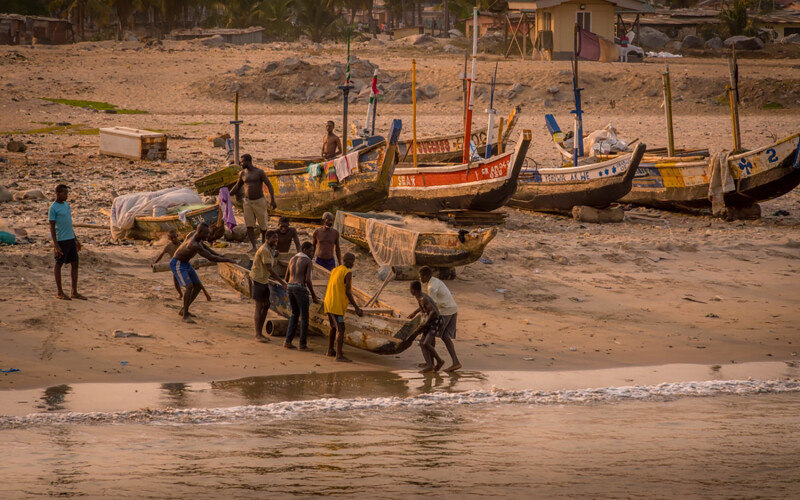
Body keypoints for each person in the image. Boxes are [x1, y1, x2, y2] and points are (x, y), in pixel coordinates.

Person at [170, 223, 235, 323]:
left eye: (208, 234)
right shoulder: (194, 244)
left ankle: (184, 310)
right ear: (199, 232)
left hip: (185, 263)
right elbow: (210, 257)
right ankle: (185, 315)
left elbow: (207, 249)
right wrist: (228, 260)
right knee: (189, 286)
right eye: (206, 234)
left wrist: (221, 255)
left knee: (198, 286)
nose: (208, 236)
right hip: (178, 263)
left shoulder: (194, 235)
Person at [408, 266, 462, 372]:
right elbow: (430, 303)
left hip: (445, 311)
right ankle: (454, 362)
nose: (420, 278)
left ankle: (431, 363)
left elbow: (432, 306)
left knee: (430, 336)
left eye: (421, 276)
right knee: (445, 336)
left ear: (426, 276)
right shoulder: (435, 281)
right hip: (452, 308)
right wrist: (415, 312)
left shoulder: (431, 287)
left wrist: (420, 317)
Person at [230, 153, 277, 252]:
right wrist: (227, 193)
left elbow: (269, 185)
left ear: (248, 161)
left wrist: (272, 200)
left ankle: (264, 244)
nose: (241, 164)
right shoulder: (242, 173)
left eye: (242, 162)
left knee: (263, 225)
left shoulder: (259, 172)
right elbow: (237, 186)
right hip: (247, 202)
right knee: (249, 225)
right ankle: (254, 246)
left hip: (259, 201)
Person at [323, 252, 363, 362]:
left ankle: (330, 350)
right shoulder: (347, 273)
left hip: (328, 302)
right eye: (352, 261)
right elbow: (348, 292)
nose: (353, 263)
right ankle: (339, 356)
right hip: (336, 305)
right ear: (348, 260)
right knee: (341, 329)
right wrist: (356, 307)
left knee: (333, 326)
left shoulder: (335, 270)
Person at [152, 230, 212, 301]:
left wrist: (195, 265)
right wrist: (155, 263)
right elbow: (161, 255)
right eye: (172, 238)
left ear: (177, 236)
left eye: (175, 237)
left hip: (185, 263)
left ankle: (206, 294)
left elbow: (191, 253)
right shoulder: (168, 247)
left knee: (196, 282)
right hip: (176, 266)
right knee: (176, 282)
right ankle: (180, 294)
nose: (174, 239)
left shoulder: (183, 244)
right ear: (169, 238)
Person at [250, 230, 288, 343]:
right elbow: (270, 269)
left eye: (277, 238)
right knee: (259, 306)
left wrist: (275, 252)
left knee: (266, 305)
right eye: (274, 238)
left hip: (264, 280)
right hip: (258, 279)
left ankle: (260, 332)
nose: (276, 240)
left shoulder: (269, 249)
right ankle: (257, 334)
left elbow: (272, 254)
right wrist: (282, 282)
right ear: (267, 239)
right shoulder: (264, 250)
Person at [49, 184, 85, 300]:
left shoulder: (66, 205)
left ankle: (74, 291)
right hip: (61, 240)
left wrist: (75, 239)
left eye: (67, 193)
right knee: (58, 264)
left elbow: (69, 224)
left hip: (70, 239)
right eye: (64, 193)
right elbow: (52, 227)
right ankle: (59, 292)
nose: (66, 195)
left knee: (74, 263)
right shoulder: (53, 208)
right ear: (58, 194)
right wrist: (56, 245)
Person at [284, 241, 320, 350]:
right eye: (311, 251)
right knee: (304, 317)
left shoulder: (292, 259)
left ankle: (288, 341)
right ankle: (302, 344)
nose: (312, 254)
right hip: (300, 288)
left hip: (290, 287)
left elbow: (286, 278)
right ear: (304, 250)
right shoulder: (307, 261)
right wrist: (313, 295)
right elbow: (308, 280)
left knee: (294, 314)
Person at [409, 280, 445, 373]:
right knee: (422, 343)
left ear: (413, 290)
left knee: (426, 343)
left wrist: (425, 324)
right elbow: (422, 308)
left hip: (436, 321)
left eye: (410, 289)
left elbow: (433, 312)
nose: (409, 290)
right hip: (430, 321)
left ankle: (439, 361)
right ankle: (430, 365)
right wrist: (414, 313)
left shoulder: (423, 298)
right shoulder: (419, 297)